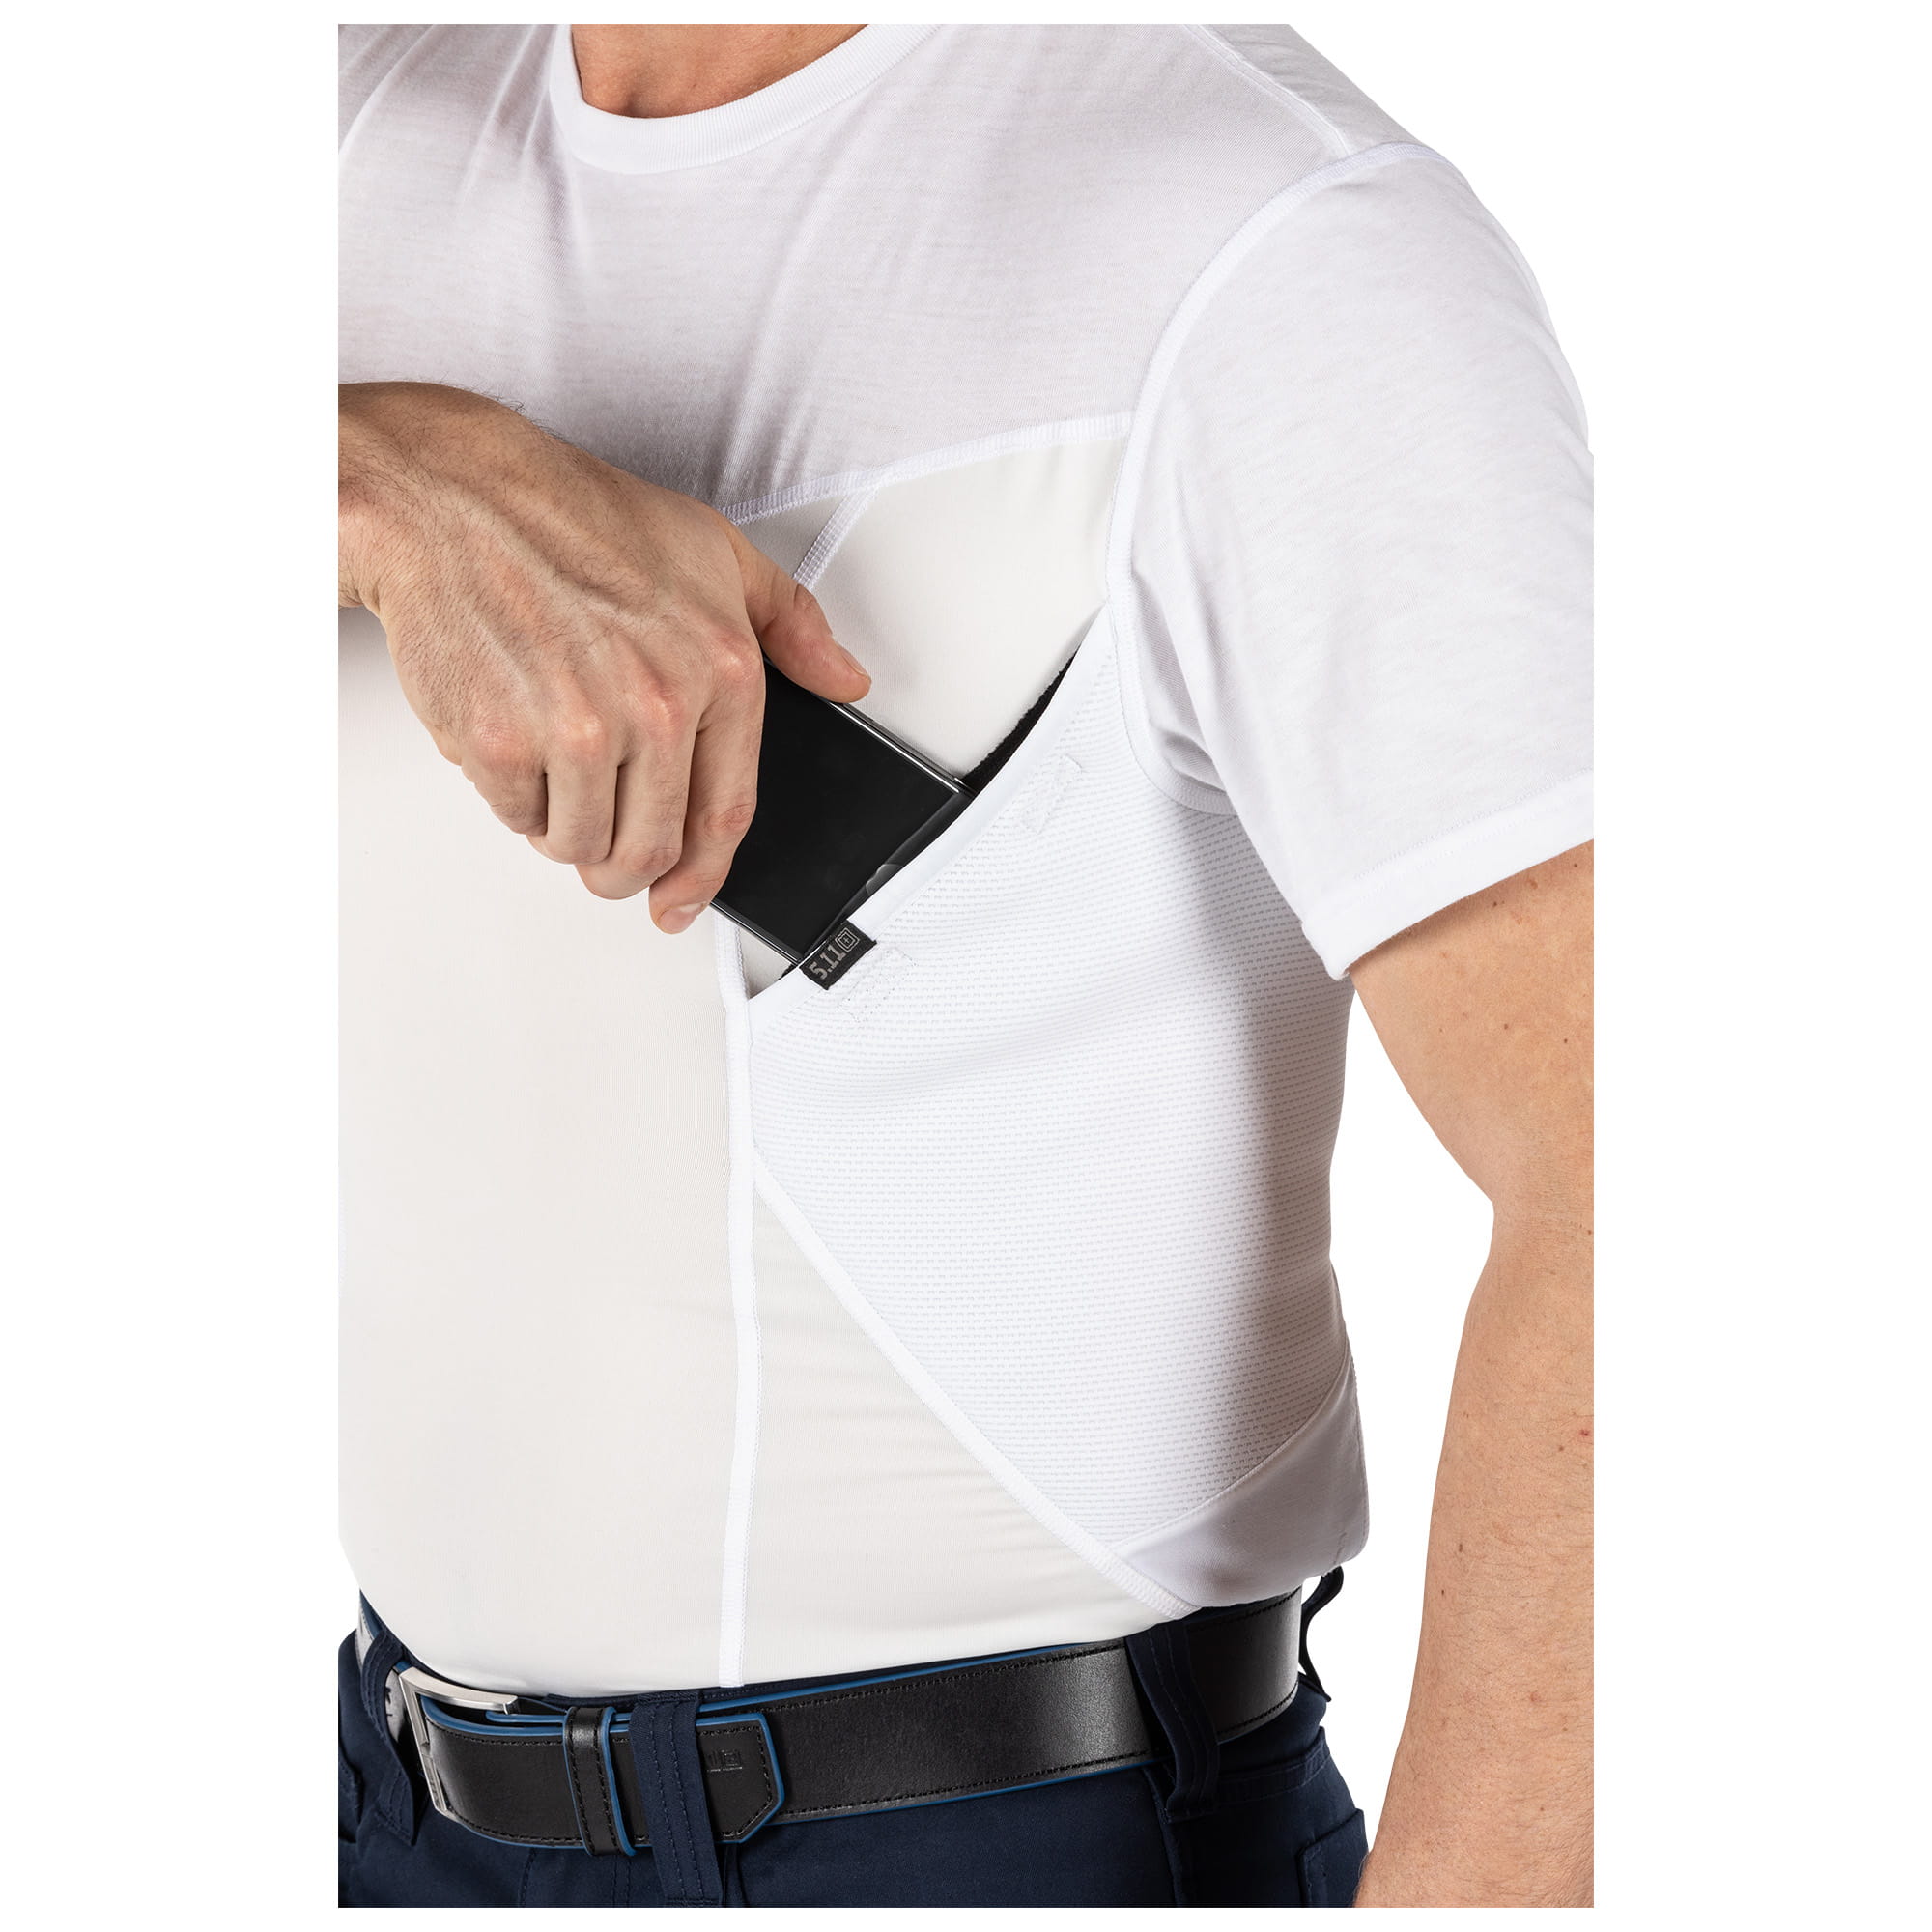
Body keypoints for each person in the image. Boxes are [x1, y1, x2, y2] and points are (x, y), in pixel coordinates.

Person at [336, 22, 1592, 1910]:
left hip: (1003, 1842)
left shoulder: (1269, 233)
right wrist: (375, 469)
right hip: (394, 1813)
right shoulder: (342, 132)